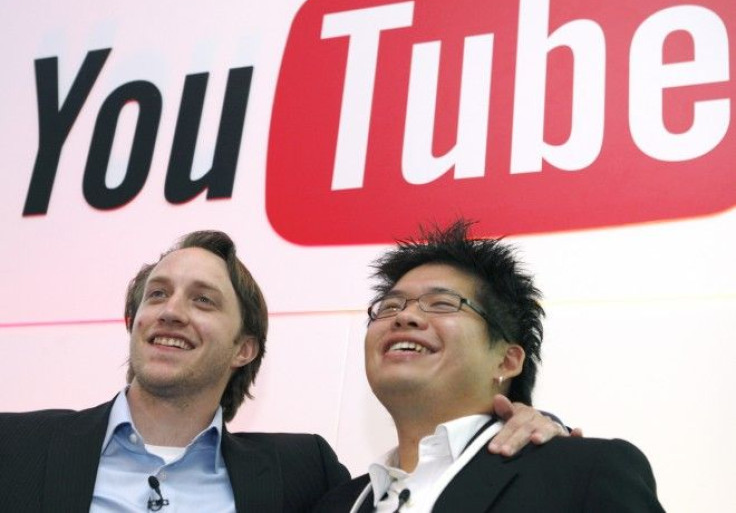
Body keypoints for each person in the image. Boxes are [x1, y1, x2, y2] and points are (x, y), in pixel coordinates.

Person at [0, 230, 567, 512]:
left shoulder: (302, 476)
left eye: (203, 300)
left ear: (245, 348)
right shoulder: (15, 447)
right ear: (132, 319)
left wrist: (532, 427)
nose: (171, 311)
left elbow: (438, 476)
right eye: (157, 295)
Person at [314, 220, 666, 512]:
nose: (405, 316)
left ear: (507, 360)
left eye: (441, 303)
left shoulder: (582, 473)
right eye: (389, 306)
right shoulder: (335, 503)